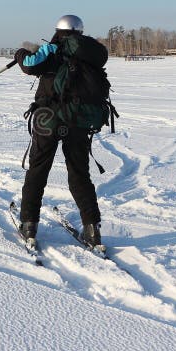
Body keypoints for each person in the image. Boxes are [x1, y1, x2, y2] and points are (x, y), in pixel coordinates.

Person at [12, 15, 105, 248]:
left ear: (58, 30)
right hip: (79, 120)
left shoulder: (51, 49)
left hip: (48, 119)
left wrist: (20, 53)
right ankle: (92, 229)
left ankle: (29, 225)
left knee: (38, 171)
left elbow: (29, 65)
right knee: (80, 174)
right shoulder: (90, 54)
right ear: (80, 33)